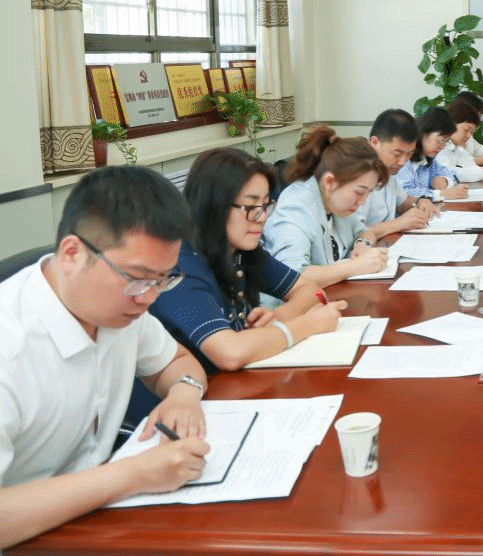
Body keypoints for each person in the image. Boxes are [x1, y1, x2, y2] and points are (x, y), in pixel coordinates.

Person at [0, 167, 211, 549]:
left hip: (98, 518)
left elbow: (176, 362)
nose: (149, 298)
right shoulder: (10, 348)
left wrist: (184, 394)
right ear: (72, 254)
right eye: (138, 278)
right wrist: (134, 475)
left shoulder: (121, 311)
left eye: (163, 279)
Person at [148, 149, 348, 373]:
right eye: (251, 208)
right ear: (214, 205)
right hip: (190, 392)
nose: (262, 217)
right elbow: (230, 354)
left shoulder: (241, 251)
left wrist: (278, 317)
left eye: (265, 206)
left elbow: (310, 290)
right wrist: (307, 325)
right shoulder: (178, 269)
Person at [263, 126, 390, 284]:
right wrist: (355, 266)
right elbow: (292, 275)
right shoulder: (296, 209)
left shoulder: (335, 204)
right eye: (359, 192)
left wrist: (362, 245)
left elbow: (364, 232)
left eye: (368, 193)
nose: (362, 201)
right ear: (330, 182)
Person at [359, 109, 436, 241]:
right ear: (375, 142)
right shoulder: (357, 176)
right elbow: (352, 234)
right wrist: (399, 223)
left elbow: (402, 202)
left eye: (409, 154)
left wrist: (420, 201)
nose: (402, 162)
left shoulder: (388, 171)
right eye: (397, 153)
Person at [397, 107, 469, 201]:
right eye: (441, 140)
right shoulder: (403, 157)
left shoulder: (428, 160)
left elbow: (450, 173)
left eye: (446, 142)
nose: (442, 147)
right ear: (424, 132)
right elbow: (405, 194)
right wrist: (441, 194)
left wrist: (444, 180)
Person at [438, 99, 483, 183]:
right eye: (466, 130)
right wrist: (482, 173)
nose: (469, 136)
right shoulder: (437, 144)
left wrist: (482, 171)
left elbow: (469, 164)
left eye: (471, 132)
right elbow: (447, 173)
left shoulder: (456, 146)